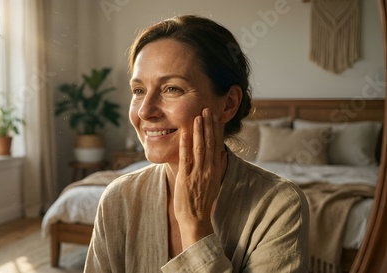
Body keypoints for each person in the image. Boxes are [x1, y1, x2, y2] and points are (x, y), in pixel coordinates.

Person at [84, 15, 309, 273]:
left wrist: (195, 225)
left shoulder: (280, 205)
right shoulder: (118, 198)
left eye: (172, 89)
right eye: (138, 91)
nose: (145, 111)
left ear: (228, 104)